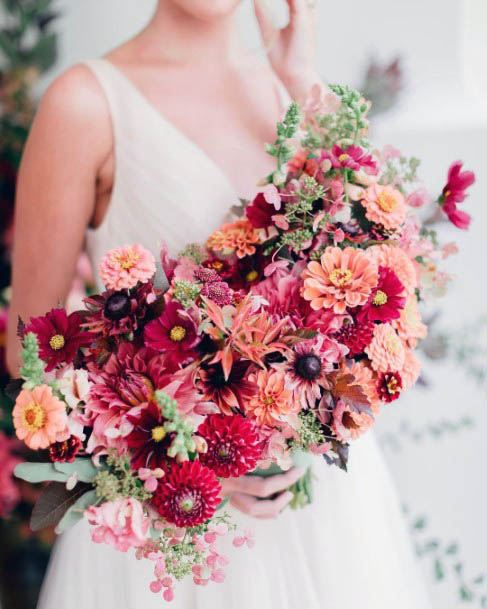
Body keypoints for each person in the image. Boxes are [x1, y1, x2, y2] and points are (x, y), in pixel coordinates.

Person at [7, 1, 432, 607]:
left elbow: (375, 253)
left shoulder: (291, 86)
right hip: (178, 522)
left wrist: (300, 75)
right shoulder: (85, 103)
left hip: (329, 511)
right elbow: (33, 361)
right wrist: (190, 466)